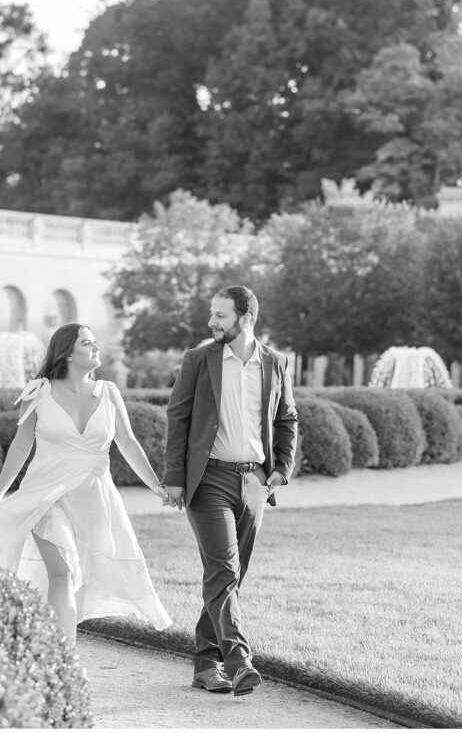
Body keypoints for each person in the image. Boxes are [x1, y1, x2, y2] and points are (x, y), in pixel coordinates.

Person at [0, 323, 172, 646]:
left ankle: (47, 646)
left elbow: (128, 443)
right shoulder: (39, 391)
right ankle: (65, 658)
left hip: (94, 497)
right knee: (62, 573)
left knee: (78, 577)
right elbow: (21, 445)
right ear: (68, 352)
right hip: (45, 496)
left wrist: (155, 485)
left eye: (95, 342)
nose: (96, 347)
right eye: (88, 343)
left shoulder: (109, 392)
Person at [163, 285, 298, 696]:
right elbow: (178, 416)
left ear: (246, 318)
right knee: (223, 571)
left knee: (230, 579)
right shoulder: (198, 360)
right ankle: (239, 661)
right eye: (212, 314)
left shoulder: (275, 363)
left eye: (220, 315)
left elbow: (287, 418)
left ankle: (206, 665)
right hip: (208, 480)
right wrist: (174, 477)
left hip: (254, 481)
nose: (212, 322)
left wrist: (283, 469)